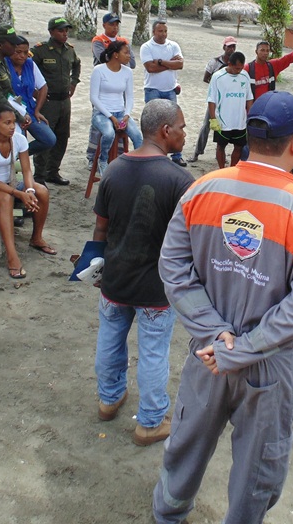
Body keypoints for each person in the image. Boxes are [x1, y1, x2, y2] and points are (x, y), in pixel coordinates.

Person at [152, 91, 293, 524]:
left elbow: (173, 269)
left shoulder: (202, 189)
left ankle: (167, 515)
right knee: (258, 468)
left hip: (207, 354)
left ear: (250, 137)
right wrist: (243, 346)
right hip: (267, 365)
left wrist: (217, 336)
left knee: (187, 444)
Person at [92, 99, 194, 445]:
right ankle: (149, 422)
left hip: (115, 278)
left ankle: (108, 400)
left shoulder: (115, 169)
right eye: (181, 127)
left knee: (109, 339)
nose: (184, 132)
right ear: (166, 131)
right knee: (152, 352)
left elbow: (101, 229)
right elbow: (190, 240)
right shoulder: (180, 180)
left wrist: (97, 266)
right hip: (155, 287)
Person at [0, 105, 54, 279]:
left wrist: (28, 190)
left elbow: (27, 170)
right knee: (6, 199)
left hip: (11, 183)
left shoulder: (19, 140)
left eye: (13, 122)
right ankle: (12, 256)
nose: (13, 126)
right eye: (7, 123)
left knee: (41, 191)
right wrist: (19, 194)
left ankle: (36, 238)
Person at [31, 17, 80, 186]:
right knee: (46, 137)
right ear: (51, 32)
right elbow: (27, 69)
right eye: (61, 30)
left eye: (66, 30)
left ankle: (53, 171)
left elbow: (77, 65)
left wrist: (74, 82)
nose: (65, 33)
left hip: (64, 101)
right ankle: (39, 176)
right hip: (48, 101)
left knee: (62, 136)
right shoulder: (40, 51)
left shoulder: (69, 50)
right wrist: (35, 92)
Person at [86, 12, 135, 165]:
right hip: (102, 85)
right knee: (99, 124)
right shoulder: (98, 40)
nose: (114, 27)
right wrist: (116, 57)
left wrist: (120, 55)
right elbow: (103, 58)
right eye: (111, 24)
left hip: (120, 84)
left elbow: (132, 62)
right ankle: (93, 156)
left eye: (116, 24)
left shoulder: (123, 41)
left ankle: (118, 154)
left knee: (122, 124)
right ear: (104, 25)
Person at [89, 40, 144, 175]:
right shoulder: (99, 70)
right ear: (115, 55)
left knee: (138, 136)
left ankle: (139, 165)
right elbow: (94, 98)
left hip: (120, 112)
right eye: (126, 53)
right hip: (101, 114)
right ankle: (103, 160)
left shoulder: (127, 72)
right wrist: (111, 117)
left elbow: (130, 97)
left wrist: (126, 115)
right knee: (109, 133)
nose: (129, 56)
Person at [140, 21, 187, 167]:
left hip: (170, 89)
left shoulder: (173, 46)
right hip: (152, 89)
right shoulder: (146, 47)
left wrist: (160, 62)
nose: (163, 34)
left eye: (165, 31)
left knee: (174, 123)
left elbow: (180, 65)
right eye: (160, 31)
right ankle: (151, 152)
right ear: (153, 32)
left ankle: (176, 155)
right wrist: (169, 64)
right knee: (153, 123)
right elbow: (150, 68)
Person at [6, 35, 57, 156]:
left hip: (30, 109)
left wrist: (37, 110)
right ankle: (13, 157)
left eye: (25, 52)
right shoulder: (4, 65)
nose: (22, 56)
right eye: (18, 52)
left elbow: (43, 87)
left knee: (49, 139)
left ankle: (18, 156)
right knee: (17, 140)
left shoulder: (30, 64)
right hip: (10, 111)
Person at [190, 36, 237, 162]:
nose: (231, 49)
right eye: (229, 47)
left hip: (228, 101)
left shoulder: (236, 63)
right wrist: (218, 85)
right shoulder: (214, 62)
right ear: (224, 47)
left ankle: (220, 154)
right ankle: (197, 153)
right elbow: (206, 78)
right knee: (207, 125)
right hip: (215, 100)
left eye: (233, 47)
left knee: (225, 127)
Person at [207, 50, 252, 168]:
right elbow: (211, 99)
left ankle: (232, 169)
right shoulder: (217, 77)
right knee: (221, 146)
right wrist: (213, 119)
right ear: (229, 64)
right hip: (222, 121)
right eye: (237, 68)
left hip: (240, 122)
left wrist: (250, 116)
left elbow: (249, 98)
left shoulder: (245, 75)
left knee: (239, 147)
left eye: (241, 68)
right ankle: (222, 169)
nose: (239, 71)